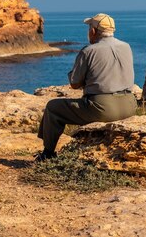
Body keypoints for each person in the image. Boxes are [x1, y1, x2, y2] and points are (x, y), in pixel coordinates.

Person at [35, 13, 137, 162]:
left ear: (93, 31)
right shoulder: (126, 47)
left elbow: (75, 83)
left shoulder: (89, 51)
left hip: (102, 108)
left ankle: (48, 153)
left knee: (53, 107)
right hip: (129, 105)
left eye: (89, 28)